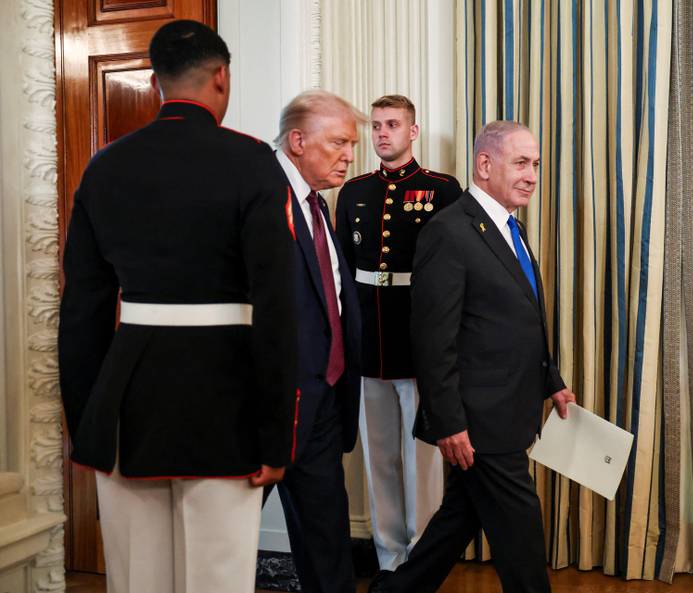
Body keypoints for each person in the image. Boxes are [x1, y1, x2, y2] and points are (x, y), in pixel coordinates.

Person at [58, 20, 300, 593]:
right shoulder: (251, 163)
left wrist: (87, 419)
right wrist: (276, 437)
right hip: (227, 395)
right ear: (222, 76)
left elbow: (83, 308)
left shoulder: (105, 165)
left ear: (154, 81)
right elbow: (277, 309)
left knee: (137, 577)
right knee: (217, 576)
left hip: (126, 397)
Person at [370, 120, 576, 593]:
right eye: (521, 163)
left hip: (507, 407)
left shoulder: (509, 226)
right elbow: (431, 337)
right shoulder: (449, 231)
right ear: (484, 164)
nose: (531, 175)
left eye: (535, 165)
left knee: (457, 521)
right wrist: (448, 422)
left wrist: (552, 380)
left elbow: (516, 320)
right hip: (479, 419)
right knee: (521, 536)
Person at [335, 95, 460, 574]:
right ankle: (390, 560)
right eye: (376, 125)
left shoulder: (442, 189)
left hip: (418, 339)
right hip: (368, 340)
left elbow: (453, 271)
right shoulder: (354, 192)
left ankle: (422, 563)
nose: (382, 133)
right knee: (379, 456)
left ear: (413, 131)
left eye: (392, 125)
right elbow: (344, 270)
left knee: (421, 460)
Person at [267, 90, 363, 593]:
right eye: (340, 142)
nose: (350, 155)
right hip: (266, 403)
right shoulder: (258, 192)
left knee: (326, 533)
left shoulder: (317, 202)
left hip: (323, 396)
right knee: (226, 542)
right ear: (298, 140)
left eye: (352, 144)